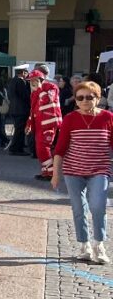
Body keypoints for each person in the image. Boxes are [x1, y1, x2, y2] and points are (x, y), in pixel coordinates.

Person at [49, 81, 112, 265]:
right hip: (73, 171)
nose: (84, 101)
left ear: (98, 98)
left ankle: (99, 245)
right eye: (80, 97)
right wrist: (56, 174)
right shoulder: (70, 118)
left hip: (99, 170)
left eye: (89, 97)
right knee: (78, 209)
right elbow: (60, 149)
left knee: (98, 205)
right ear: (75, 100)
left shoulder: (108, 117)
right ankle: (84, 245)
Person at [28, 68, 63, 180]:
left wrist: (39, 90)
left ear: (41, 79)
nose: (32, 82)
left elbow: (48, 99)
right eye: (30, 80)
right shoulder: (34, 93)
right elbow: (32, 110)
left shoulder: (52, 87)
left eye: (34, 79)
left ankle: (51, 173)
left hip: (49, 124)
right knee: (40, 149)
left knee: (44, 148)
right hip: (39, 125)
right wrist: (28, 124)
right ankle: (46, 172)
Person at [8, 67, 32, 155]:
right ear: (23, 72)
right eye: (26, 72)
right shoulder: (21, 81)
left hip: (14, 108)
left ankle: (18, 147)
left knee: (18, 129)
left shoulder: (12, 81)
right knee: (20, 130)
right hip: (21, 109)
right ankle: (16, 148)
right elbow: (25, 96)